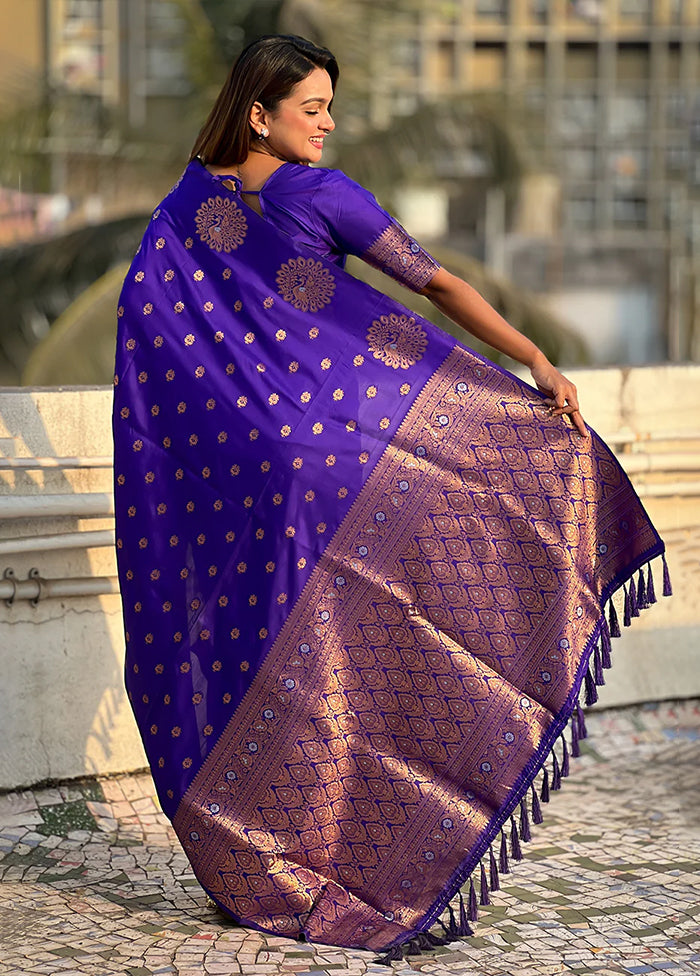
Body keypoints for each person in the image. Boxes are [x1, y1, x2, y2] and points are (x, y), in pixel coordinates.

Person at [113, 33, 669, 962]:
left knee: (272, 670)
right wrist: (533, 359)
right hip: (331, 476)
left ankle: (266, 865)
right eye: (313, 108)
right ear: (260, 114)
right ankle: (337, 859)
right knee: (334, 666)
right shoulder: (316, 196)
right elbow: (436, 283)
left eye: (330, 107)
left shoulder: (184, 208)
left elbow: (151, 339)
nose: (329, 124)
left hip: (245, 487)